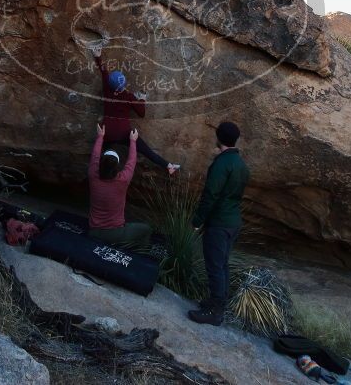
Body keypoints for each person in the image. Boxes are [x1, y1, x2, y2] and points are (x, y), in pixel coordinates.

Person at [188, 122, 250, 326]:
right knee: (222, 264)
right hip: (233, 222)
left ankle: (215, 312)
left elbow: (210, 195)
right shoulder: (241, 164)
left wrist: (198, 220)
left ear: (219, 138)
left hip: (219, 223)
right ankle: (217, 302)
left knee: (214, 265)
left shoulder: (221, 164)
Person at [93, 48, 180, 175]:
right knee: (146, 150)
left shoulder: (107, 88)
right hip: (124, 134)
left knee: (101, 155)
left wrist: (98, 56)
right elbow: (141, 113)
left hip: (107, 133)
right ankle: (168, 166)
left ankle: (100, 175)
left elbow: (104, 72)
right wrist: (142, 100)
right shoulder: (129, 97)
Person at [87, 123, 152, 247]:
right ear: (117, 167)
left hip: (93, 232)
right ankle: (140, 254)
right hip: (116, 234)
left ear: (100, 164)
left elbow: (94, 156)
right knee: (147, 229)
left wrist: (100, 136)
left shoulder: (93, 175)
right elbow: (132, 161)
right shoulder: (122, 180)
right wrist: (133, 141)